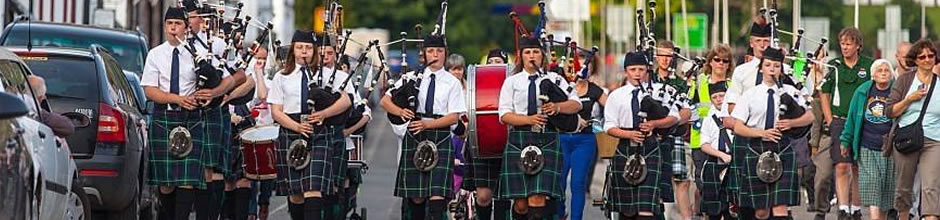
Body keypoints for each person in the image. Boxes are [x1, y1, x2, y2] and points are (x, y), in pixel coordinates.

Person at [269, 30, 352, 220]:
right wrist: (297, 127)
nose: (304, 52)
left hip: (320, 133)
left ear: (315, 51)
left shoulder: (331, 74)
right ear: (293, 50)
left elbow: (346, 101)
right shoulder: (282, 77)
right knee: (296, 193)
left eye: (308, 48)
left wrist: (324, 113)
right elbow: (276, 111)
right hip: (291, 131)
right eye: (299, 48)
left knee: (313, 188)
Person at [382, 33, 466, 220]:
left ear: (445, 53)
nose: (435, 55)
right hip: (415, 136)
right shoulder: (411, 77)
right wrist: (400, 112)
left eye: (439, 51)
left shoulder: (452, 82)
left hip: (440, 135)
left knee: (437, 196)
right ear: (424, 55)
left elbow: (453, 117)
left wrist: (429, 124)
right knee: (417, 197)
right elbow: (385, 101)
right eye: (430, 51)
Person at [496, 36, 581, 219]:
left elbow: (576, 103)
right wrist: (529, 120)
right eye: (527, 52)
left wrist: (557, 107)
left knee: (537, 197)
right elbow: (504, 115)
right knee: (520, 204)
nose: (532, 56)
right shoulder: (512, 82)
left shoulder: (555, 79)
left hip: (547, 138)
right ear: (521, 57)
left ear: (542, 55)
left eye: (535, 52)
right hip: (519, 139)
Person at [141, 6, 214, 219]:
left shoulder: (197, 55)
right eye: (170, 24)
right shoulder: (155, 54)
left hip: (190, 118)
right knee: (166, 183)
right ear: (165, 26)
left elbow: (210, 85)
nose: (173, 28)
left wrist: (205, 93)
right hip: (165, 117)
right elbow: (150, 90)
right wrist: (177, 99)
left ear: (186, 28)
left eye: (178, 24)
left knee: (187, 179)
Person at [729, 47, 814, 220]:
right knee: (761, 211)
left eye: (776, 65)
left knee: (780, 206)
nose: (772, 69)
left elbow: (810, 116)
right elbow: (737, 127)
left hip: (783, 148)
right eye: (768, 65)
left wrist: (792, 123)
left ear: (781, 69)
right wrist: (761, 133)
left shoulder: (791, 92)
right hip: (756, 148)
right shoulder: (750, 94)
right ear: (761, 68)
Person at [603, 51, 679, 220]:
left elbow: (674, 117)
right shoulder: (616, 96)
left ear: (647, 70)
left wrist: (654, 124)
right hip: (624, 147)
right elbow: (608, 126)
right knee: (627, 210)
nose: (637, 73)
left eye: (641, 69)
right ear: (626, 71)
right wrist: (629, 134)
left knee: (647, 208)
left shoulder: (660, 91)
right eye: (633, 69)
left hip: (651, 147)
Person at [821, 27, 874, 220]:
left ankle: (856, 207)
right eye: (842, 43)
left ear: (858, 45)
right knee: (841, 165)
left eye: (849, 43)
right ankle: (843, 207)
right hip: (840, 121)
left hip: (863, 123)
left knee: (857, 166)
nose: (845, 47)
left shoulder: (868, 65)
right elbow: (823, 92)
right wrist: (829, 120)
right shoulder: (834, 66)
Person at [886, 39, 940, 220]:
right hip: (907, 137)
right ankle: (903, 216)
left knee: (931, 186)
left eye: (931, 56)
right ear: (914, 60)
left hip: (934, 140)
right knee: (904, 187)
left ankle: (930, 216)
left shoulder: (939, 84)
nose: (927, 60)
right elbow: (889, 111)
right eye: (922, 56)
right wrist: (909, 99)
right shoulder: (905, 80)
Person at [839, 59, 897, 220]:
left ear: (891, 75)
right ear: (873, 75)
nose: (884, 73)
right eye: (880, 70)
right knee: (873, 182)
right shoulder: (863, 91)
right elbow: (852, 118)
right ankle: (873, 217)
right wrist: (845, 140)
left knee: (886, 188)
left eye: (887, 70)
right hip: (867, 145)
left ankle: (881, 216)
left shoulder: (896, 91)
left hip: (889, 148)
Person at [556, 51, 608, 220]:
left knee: (578, 183)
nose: (581, 69)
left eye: (587, 65)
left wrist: (596, 124)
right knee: (559, 183)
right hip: (562, 139)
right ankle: (560, 213)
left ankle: (576, 218)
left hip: (584, 141)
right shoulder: (561, 87)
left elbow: (613, 109)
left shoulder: (595, 91)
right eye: (577, 65)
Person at [689, 45, 734, 216]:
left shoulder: (732, 85)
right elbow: (689, 106)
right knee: (705, 184)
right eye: (717, 60)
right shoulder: (700, 81)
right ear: (710, 62)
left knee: (728, 188)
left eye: (725, 61)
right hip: (701, 140)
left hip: (727, 144)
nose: (720, 64)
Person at [652, 40, 694, 220]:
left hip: (674, 134)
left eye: (669, 56)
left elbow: (689, 110)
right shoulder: (649, 79)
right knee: (654, 178)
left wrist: (672, 121)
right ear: (655, 56)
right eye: (662, 55)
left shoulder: (681, 83)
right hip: (651, 135)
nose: (665, 59)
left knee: (679, 179)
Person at [697, 80, 734, 220]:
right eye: (715, 97)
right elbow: (704, 145)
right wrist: (721, 155)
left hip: (734, 163)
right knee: (714, 210)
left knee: (733, 208)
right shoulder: (708, 120)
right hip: (714, 164)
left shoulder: (735, 116)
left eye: (722, 95)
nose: (719, 100)